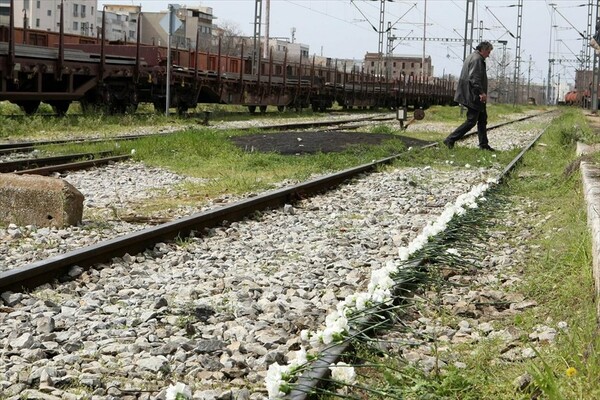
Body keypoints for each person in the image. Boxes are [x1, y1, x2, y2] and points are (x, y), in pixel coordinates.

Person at [443, 41, 495, 151]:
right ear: (483, 50)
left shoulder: (473, 56)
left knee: (482, 119)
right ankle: (450, 139)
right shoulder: (477, 59)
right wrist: (481, 92)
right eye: (488, 52)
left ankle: (484, 145)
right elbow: (474, 78)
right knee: (471, 121)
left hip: (471, 94)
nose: (489, 55)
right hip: (472, 95)